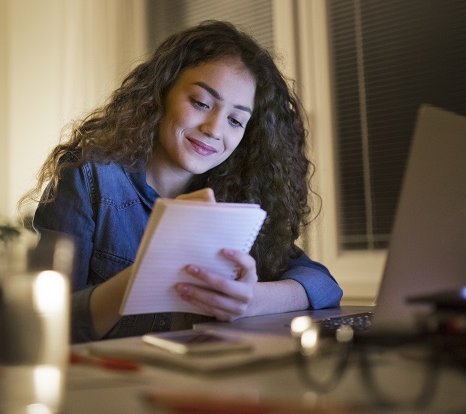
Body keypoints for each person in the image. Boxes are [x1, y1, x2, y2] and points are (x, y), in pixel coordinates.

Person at [19, 20, 343, 343]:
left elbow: (323, 283)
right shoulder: (88, 178)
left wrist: (250, 299)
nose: (215, 129)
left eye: (235, 120)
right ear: (160, 93)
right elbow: (42, 324)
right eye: (201, 103)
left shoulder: (236, 199)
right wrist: (151, 271)